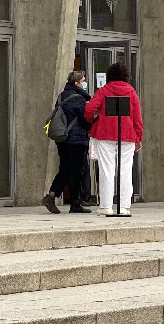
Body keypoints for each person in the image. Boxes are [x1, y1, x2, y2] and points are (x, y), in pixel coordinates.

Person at [84, 61, 143, 215]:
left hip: (105, 134)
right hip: (127, 135)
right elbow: (137, 118)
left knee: (106, 170)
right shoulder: (131, 92)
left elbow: (89, 109)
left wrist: (92, 120)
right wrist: (138, 137)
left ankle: (106, 206)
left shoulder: (104, 90)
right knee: (125, 171)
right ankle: (124, 206)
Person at [42, 71, 92, 214]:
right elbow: (84, 119)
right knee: (76, 170)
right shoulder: (79, 99)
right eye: (83, 81)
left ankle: (51, 196)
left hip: (62, 138)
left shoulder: (62, 96)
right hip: (76, 139)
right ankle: (75, 203)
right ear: (76, 83)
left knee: (65, 168)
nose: (84, 84)